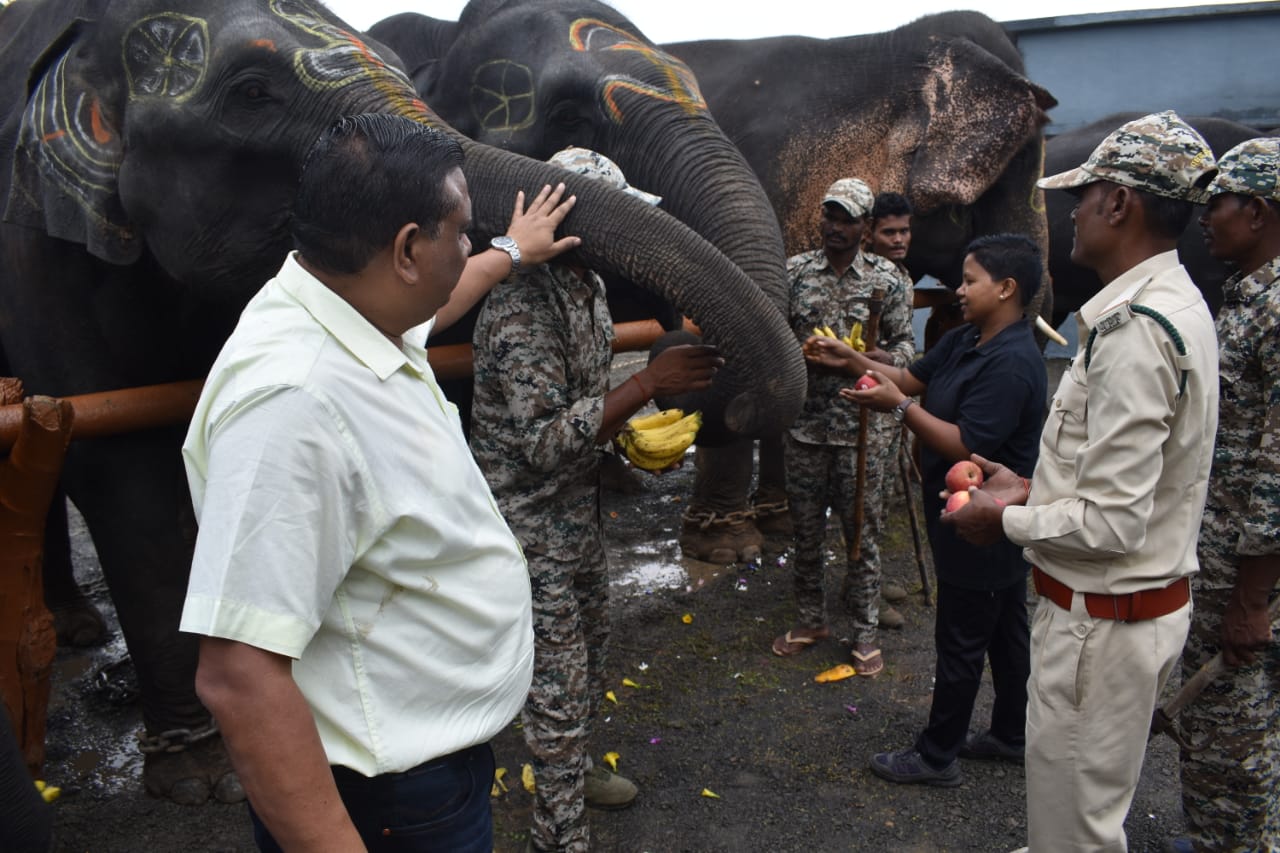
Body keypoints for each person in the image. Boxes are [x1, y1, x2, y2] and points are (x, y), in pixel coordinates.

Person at [178, 114, 581, 852]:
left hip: (426, 772)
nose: (469, 246)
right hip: (387, 803)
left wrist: (508, 253)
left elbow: (440, 304)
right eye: (461, 232)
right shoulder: (293, 404)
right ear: (405, 249)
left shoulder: (351, 310)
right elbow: (238, 674)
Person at [944, 111, 1220, 851]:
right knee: (1070, 821)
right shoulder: (1170, 305)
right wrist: (1032, 488)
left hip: (1102, 625)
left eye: (1084, 195)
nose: (1071, 213)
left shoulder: (1136, 330)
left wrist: (1000, 518)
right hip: (1116, 612)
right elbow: (1125, 488)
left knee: (1075, 836)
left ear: (1120, 204)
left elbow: (1111, 525)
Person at [469, 147, 722, 853]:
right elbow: (543, 443)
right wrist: (645, 385)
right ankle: (560, 834)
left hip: (578, 510)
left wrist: (639, 416)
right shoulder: (519, 304)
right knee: (555, 682)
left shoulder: (589, 289)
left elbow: (586, 403)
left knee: (590, 653)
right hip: (527, 521)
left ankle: (571, 771)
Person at [809, 234, 1046, 786]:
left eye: (969, 281)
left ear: (1006, 288)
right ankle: (1014, 733)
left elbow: (967, 445)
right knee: (1009, 627)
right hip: (968, 516)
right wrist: (853, 361)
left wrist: (900, 409)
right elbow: (911, 378)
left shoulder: (1012, 362)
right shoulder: (968, 339)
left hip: (983, 519)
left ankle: (937, 755)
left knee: (963, 637)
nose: (958, 290)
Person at [1172, 137, 1280, 853]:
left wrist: (1251, 596)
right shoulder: (1248, 299)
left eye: (1218, 205)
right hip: (1226, 564)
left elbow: (1276, 466)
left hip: (1245, 576)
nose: (1205, 219)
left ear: (1261, 210)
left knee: (1229, 735)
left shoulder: (1275, 311)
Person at [772, 177, 914, 675]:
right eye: (830, 216)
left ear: (866, 226)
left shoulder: (889, 281)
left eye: (847, 219)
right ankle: (811, 619)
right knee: (806, 531)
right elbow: (773, 334)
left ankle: (864, 631)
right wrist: (801, 353)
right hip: (807, 426)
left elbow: (905, 350)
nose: (835, 227)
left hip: (863, 431)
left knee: (862, 534)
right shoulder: (794, 273)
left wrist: (869, 359)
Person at [863, 190, 916, 615]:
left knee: (880, 501)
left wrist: (894, 359)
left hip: (890, 404)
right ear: (869, 234)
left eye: (904, 231)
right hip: (856, 407)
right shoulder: (862, 278)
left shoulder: (902, 278)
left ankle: (869, 581)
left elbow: (904, 343)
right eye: (889, 232)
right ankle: (862, 592)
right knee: (861, 505)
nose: (899, 239)